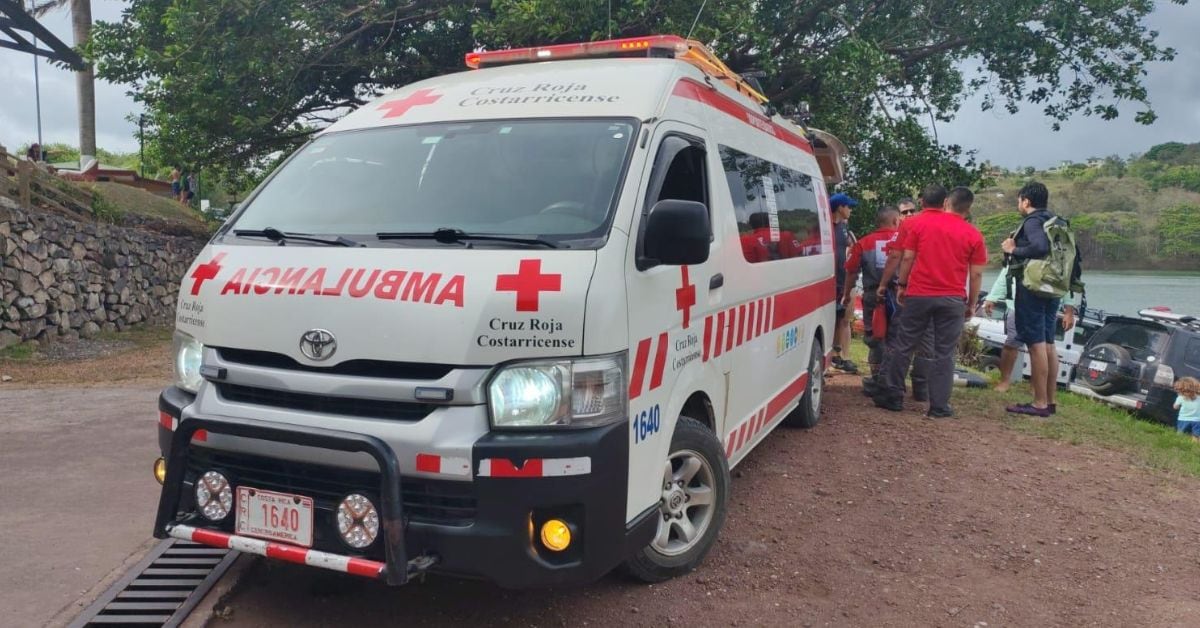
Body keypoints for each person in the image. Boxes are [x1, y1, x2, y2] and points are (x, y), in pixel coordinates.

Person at [875, 185, 986, 418]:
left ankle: (893, 396)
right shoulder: (973, 234)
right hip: (953, 298)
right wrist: (971, 303)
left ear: (947, 202)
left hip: (919, 294)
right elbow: (975, 274)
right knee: (944, 353)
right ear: (968, 207)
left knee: (904, 344)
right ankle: (938, 406)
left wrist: (902, 285)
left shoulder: (914, 224)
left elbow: (906, 257)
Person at [1001, 181, 1063, 417]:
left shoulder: (1033, 221)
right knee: (1048, 342)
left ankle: (1039, 403)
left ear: (1026, 201)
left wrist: (1013, 250)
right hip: (1053, 287)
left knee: (1035, 343)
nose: (1019, 204)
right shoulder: (1055, 221)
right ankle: (1050, 400)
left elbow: (1038, 246)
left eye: (1019, 200)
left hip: (1034, 287)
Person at [983, 266, 1080, 393]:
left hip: (1046, 306)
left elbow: (1067, 277)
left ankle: (1037, 387)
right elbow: (1007, 271)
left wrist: (1069, 310)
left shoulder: (1059, 250)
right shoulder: (1022, 249)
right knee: (1011, 343)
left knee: (1042, 347)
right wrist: (993, 297)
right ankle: (1004, 381)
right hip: (1018, 304)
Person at [875, 195, 933, 400]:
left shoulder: (915, 232)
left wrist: (883, 284)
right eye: (904, 212)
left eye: (911, 211)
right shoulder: (909, 233)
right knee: (902, 340)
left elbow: (897, 257)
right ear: (897, 217)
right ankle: (890, 385)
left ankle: (912, 389)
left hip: (910, 292)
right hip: (910, 292)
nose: (908, 215)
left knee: (907, 341)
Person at [844, 205, 900, 381]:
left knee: (875, 335)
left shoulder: (863, 243)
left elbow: (851, 272)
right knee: (898, 336)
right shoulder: (906, 240)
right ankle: (893, 378)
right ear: (895, 221)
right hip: (900, 295)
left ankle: (877, 377)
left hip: (873, 296)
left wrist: (846, 294)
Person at [829, 192, 859, 374]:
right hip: (830, 281)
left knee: (845, 319)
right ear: (840, 207)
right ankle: (832, 354)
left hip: (844, 280)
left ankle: (845, 357)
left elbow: (852, 247)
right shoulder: (826, 227)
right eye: (848, 206)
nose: (850, 210)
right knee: (832, 320)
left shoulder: (843, 228)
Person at [1174, 377, 1200, 442]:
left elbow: (1175, 407)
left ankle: (1177, 443)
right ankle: (1193, 445)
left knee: (1180, 433)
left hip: (1183, 419)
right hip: (1197, 420)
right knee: (1195, 435)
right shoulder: (1199, 397)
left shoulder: (1180, 398)